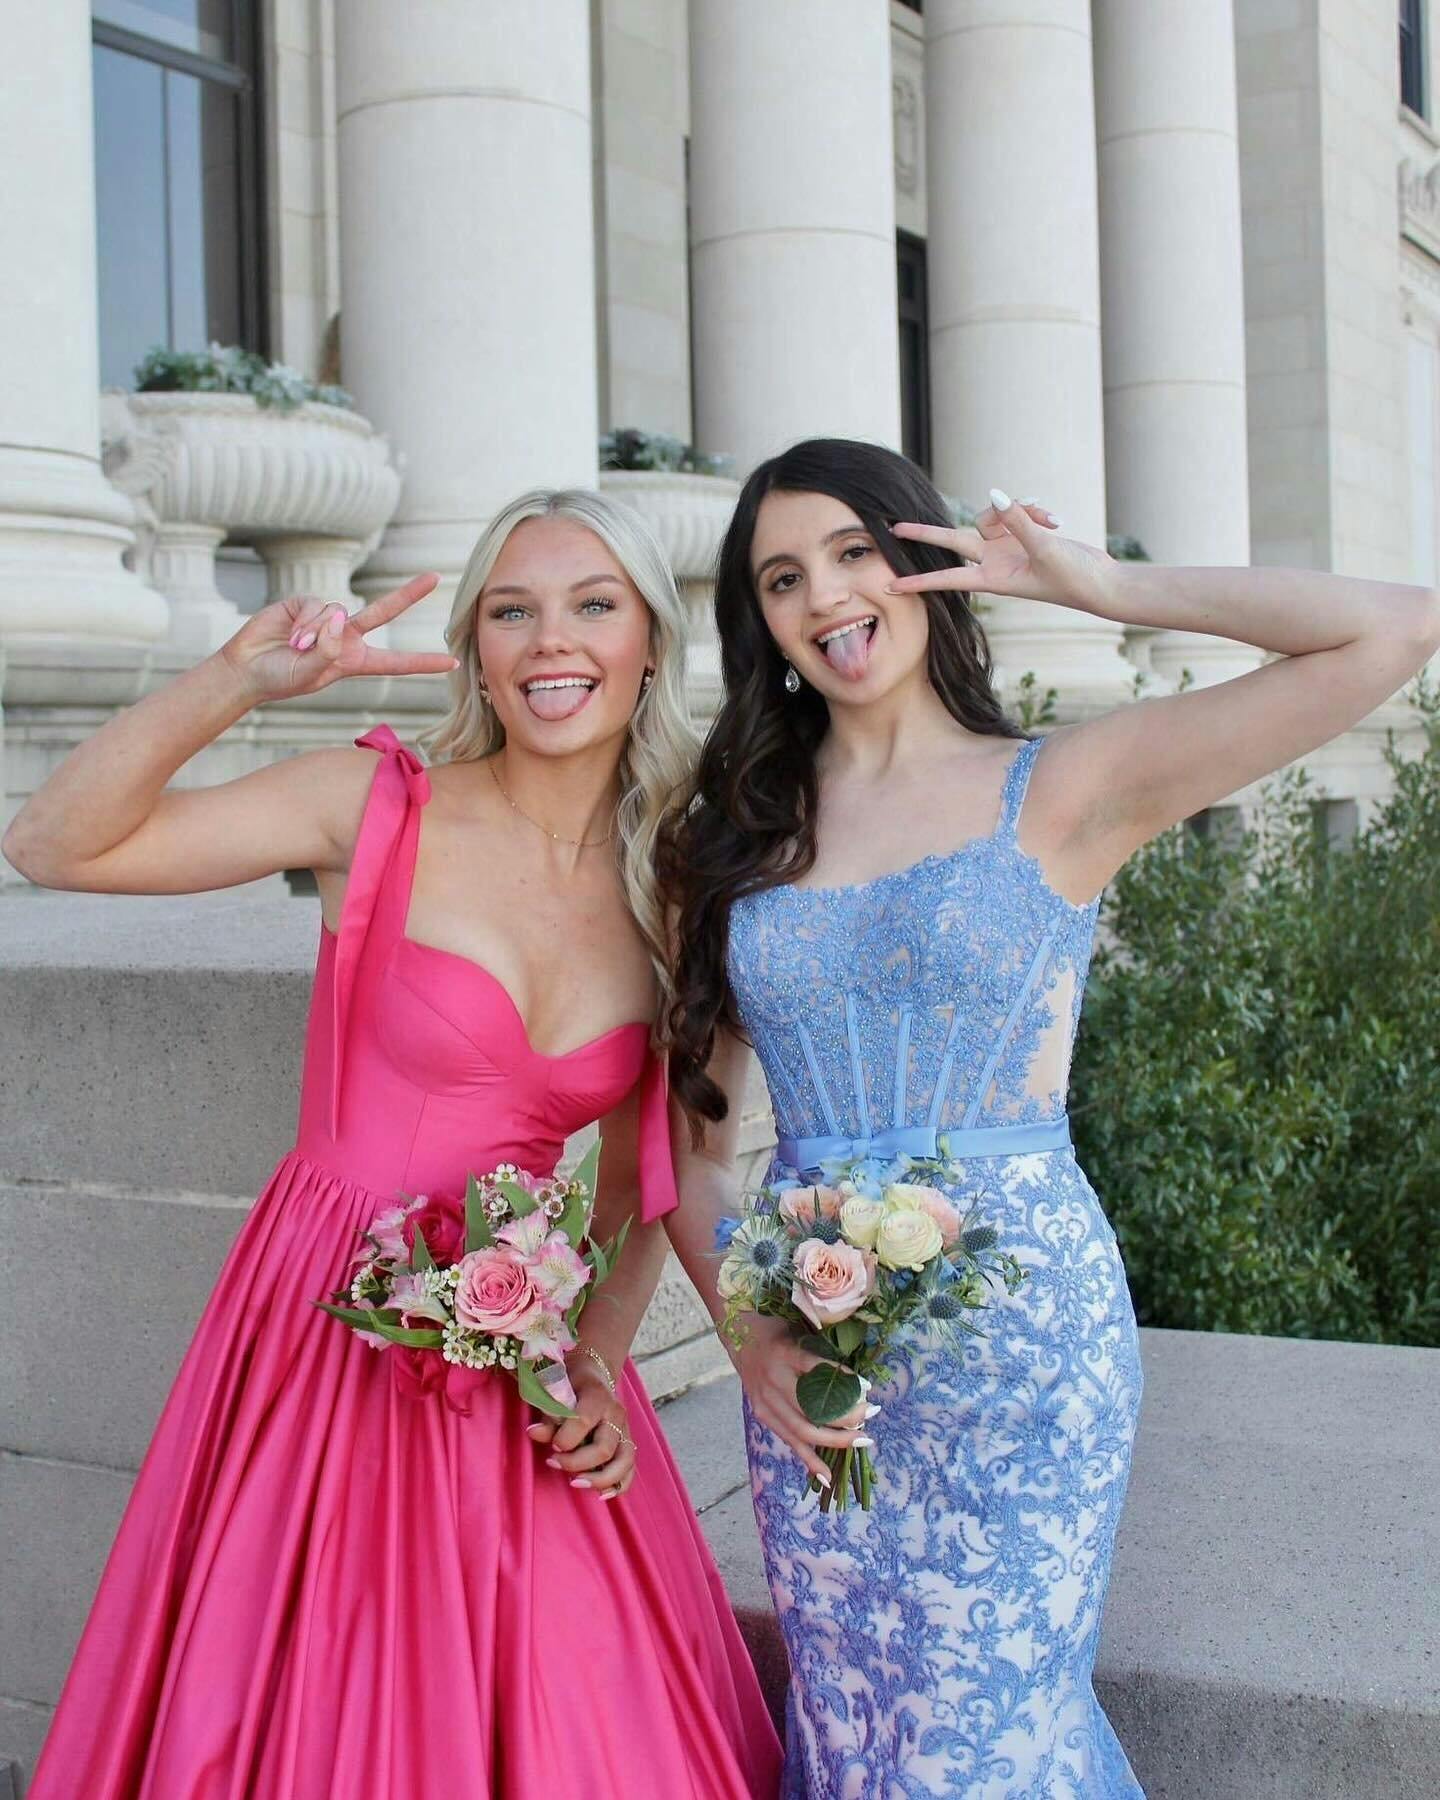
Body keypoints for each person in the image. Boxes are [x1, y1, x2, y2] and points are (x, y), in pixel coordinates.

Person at [661, 436, 1440, 1798]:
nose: (826, 595)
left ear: (924, 561)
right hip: (816, 1361)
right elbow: (696, 1146)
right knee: (856, 1729)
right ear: (763, 624)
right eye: (783, 579)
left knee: (982, 1745)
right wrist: (755, 1340)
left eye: (854, 552)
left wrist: (1103, 588)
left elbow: (1394, 629)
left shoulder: (1067, 782)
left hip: (1021, 1354)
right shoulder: (737, 834)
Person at [4, 489, 781, 1799]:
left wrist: (597, 1356)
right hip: (321, 1333)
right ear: (476, 645)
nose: (553, 640)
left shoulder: (684, 886)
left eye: (594, 605)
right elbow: (51, 844)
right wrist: (237, 679)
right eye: (513, 610)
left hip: (518, 1365)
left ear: (650, 640)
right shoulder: (375, 805)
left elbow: (645, 1177)